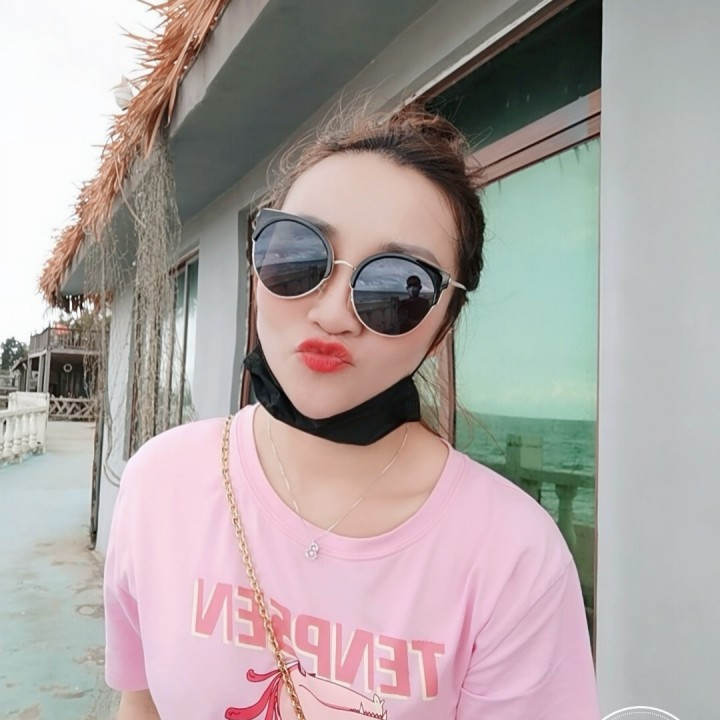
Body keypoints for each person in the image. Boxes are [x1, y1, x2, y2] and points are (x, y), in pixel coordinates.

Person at [104, 105, 601, 719]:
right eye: (296, 255)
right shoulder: (160, 483)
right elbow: (141, 705)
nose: (333, 313)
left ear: (442, 328)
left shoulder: (512, 558)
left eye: (397, 287)